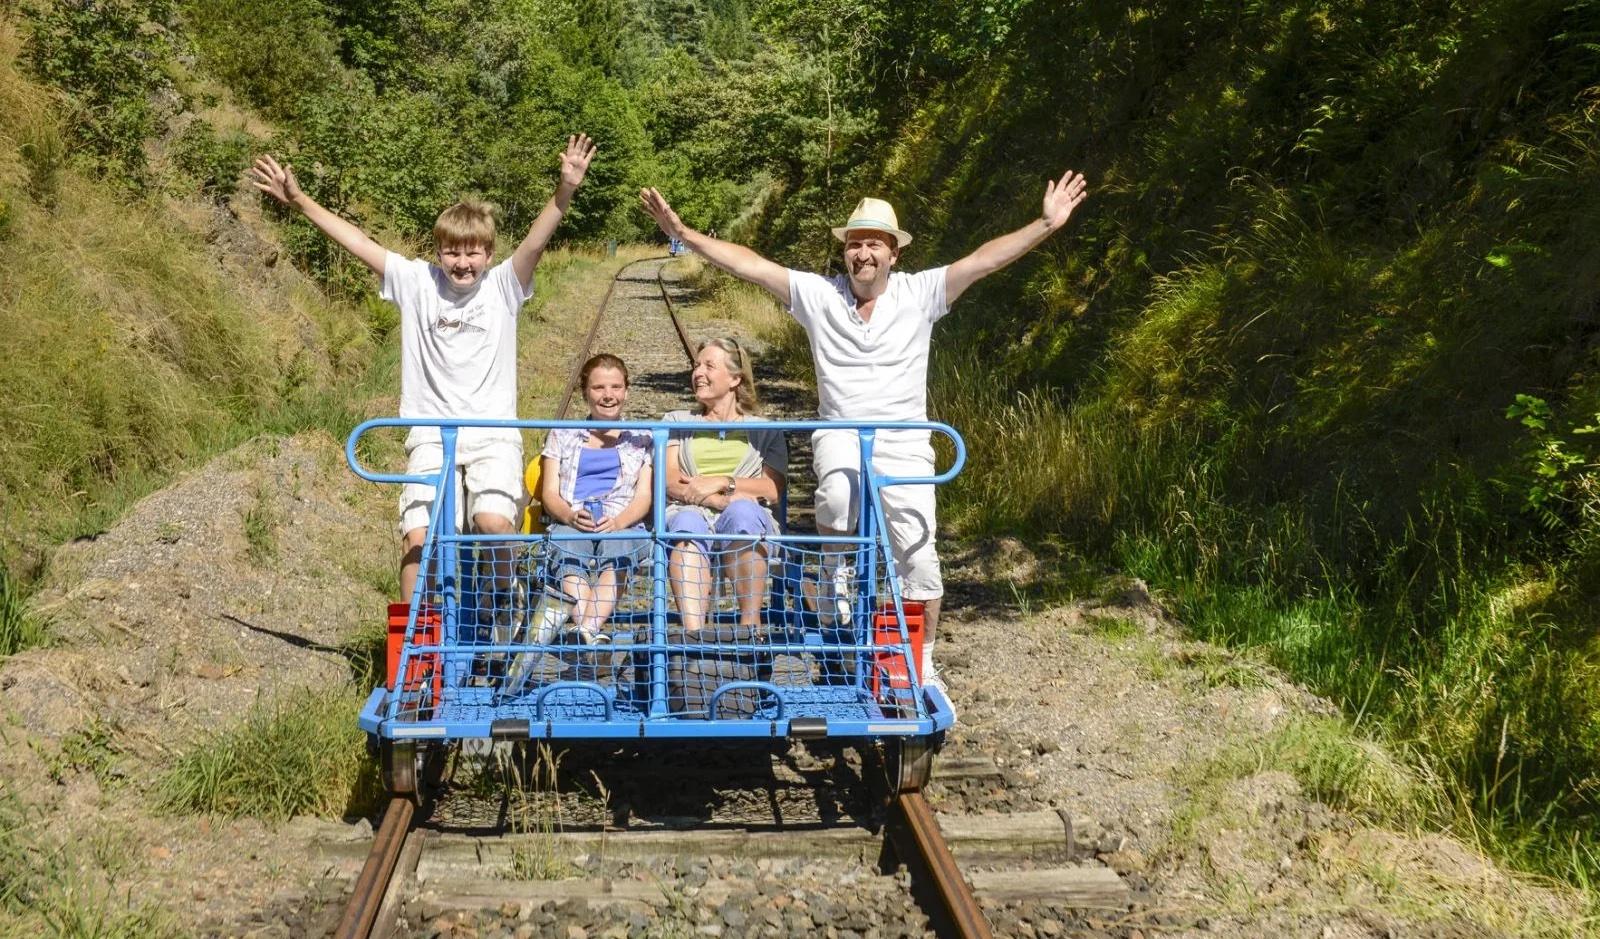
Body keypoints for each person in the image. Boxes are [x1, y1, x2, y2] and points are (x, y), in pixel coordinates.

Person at [639, 171, 1089, 689]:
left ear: (894, 252)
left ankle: (922, 664)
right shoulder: (819, 295)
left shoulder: (921, 293)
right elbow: (751, 265)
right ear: (845, 254)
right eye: (855, 244)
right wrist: (684, 233)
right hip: (842, 433)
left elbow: (983, 260)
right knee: (836, 497)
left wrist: (1045, 224)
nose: (863, 254)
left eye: (874, 243)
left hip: (904, 440)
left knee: (918, 555)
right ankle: (838, 614)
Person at [250, 134, 597, 605]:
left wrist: (566, 190)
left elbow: (537, 239)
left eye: (473, 252)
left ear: (489, 254)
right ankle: (415, 647)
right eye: (452, 252)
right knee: (419, 538)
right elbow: (358, 243)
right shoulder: (416, 282)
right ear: (438, 252)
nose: (462, 263)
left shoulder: (504, 287)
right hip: (432, 436)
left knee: (492, 525)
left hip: (493, 434)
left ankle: (499, 617)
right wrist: (301, 200)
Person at [662, 338, 786, 633]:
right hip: (691, 510)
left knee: (744, 513)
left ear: (735, 378)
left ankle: (749, 630)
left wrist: (722, 482)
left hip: (744, 514)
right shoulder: (677, 421)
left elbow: (771, 489)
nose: (698, 373)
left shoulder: (765, 429)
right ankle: (694, 638)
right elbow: (670, 481)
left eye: (709, 366)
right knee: (687, 523)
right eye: (696, 366)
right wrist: (716, 500)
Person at [538, 354, 652, 644]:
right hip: (574, 518)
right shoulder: (563, 434)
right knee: (566, 544)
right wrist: (568, 516)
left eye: (615, 387)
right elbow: (549, 492)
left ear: (626, 390)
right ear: (585, 392)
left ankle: (586, 631)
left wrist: (618, 521)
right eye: (599, 388)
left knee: (621, 546)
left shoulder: (644, 437)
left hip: (621, 520)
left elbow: (643, 496)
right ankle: (593, 634)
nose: (608, 395)